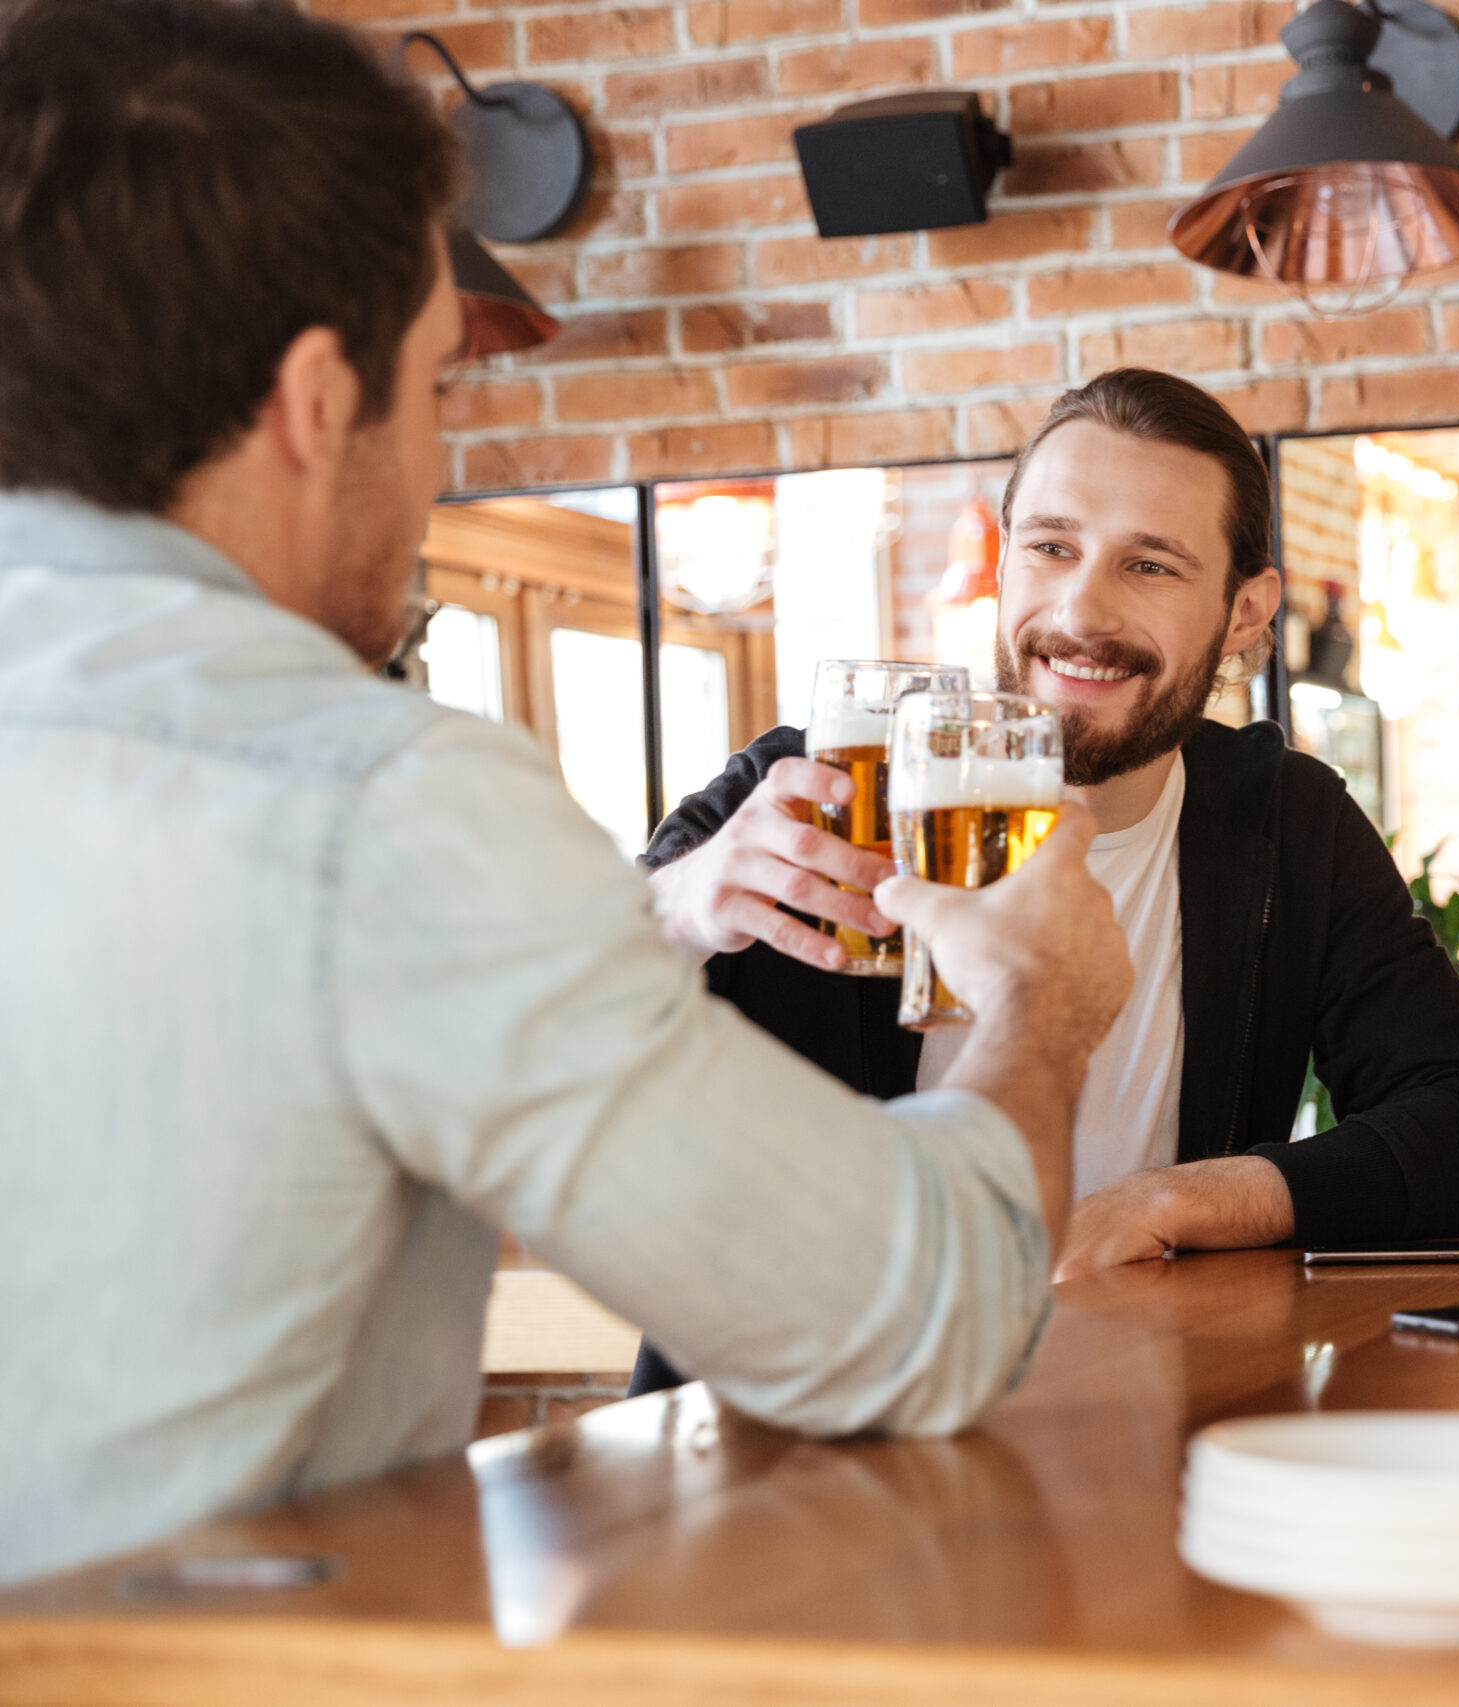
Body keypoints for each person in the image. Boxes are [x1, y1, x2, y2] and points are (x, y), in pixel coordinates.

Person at [0, 0, 1130, 1588]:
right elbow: (912, 1318)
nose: (439, 464)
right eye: (440, 391)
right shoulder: (375, 803)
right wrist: (1038, 1009)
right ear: (321, 402)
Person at [640, 370, 1459, 1325]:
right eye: (1050, 546)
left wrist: (1172, 1198)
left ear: (1246, 611)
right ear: (1004, 564)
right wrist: (677, 906)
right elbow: (521, 1020)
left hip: (1124, 1397)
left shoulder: (1287, 822)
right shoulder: (808, 791)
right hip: (791, 1411)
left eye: (1149, 564)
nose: (1082, 613)